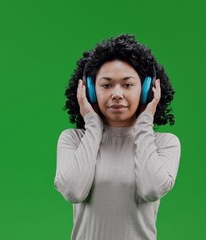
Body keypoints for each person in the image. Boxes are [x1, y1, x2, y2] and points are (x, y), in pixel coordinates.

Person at [54, 34, 181, 240]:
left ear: (147, 90)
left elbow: (151, 189)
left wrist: (145, 120)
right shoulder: (73, 140)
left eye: (128, 85)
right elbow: (73, 191)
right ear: (90, 91)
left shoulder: (164, 144)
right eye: (106, 85)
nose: (117, 94)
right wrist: (92, 124)